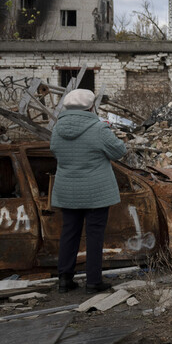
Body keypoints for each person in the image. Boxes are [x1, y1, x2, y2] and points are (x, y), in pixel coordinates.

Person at [50, 88, 127, 293]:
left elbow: (54, 151)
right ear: (91, 106)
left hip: (67, 190)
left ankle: (64, 280)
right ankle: (93, 281)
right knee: (94, 236)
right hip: (96, 192)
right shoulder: (98, 128)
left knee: (69, 234)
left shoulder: (57, 128)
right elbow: (119, 151)